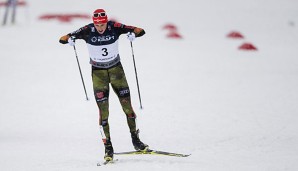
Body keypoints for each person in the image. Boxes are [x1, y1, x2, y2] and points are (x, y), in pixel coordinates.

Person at [59, 9, 148, 161]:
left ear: (107, 21)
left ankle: (136, 141)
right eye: (98, 25)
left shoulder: (114, 26)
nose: (100, 28)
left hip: (116, 72)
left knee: (128, 107)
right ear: (94, 23)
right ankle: (108, 148)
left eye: (103, 24)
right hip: (98, 74)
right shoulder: (87, 30)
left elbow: (140, 30)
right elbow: (63, 37)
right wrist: (69, 39)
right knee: (104, 113)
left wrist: (134, 33)